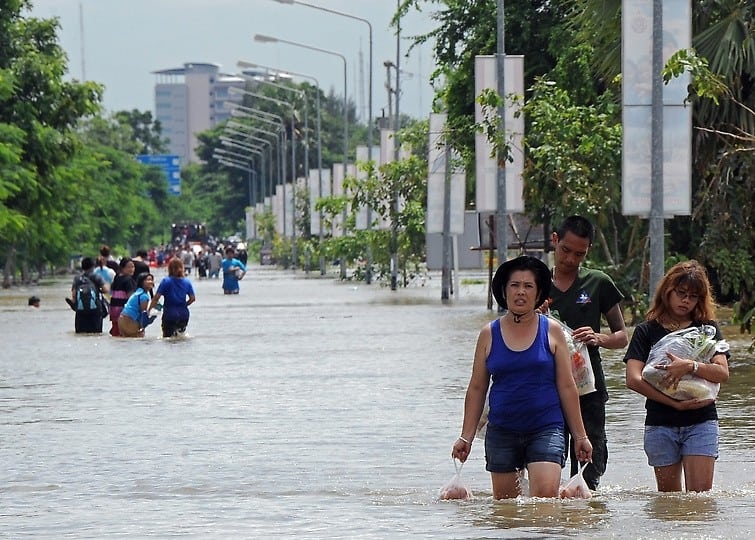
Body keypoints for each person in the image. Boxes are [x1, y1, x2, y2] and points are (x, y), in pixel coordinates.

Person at [452, 255, 593, 499]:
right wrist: (466, 437)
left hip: (546, 427)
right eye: (514, 285)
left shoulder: (552, 331)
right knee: (507, 512)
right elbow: (477, 388)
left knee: (544, 502)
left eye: (528, 286)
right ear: (504, 291)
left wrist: (581, 436)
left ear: (538, 294)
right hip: (502, 431)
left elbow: (567, 386)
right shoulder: (489, 334)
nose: (521, 292)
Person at [624, 260, 730, 492]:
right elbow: (633, 379)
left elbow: (722, 372)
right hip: (661, 421)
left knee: (699, 500)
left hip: (701, 420)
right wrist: (675, 404)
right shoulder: (646, 330)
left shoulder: (707, 329)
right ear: (667, 291)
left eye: (693, 296)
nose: (686, 301)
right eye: (681, 293)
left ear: (700, 300)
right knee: (668, 502)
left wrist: (690, 366)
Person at [544, 215, 628, 490]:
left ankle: (585, 513)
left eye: (579, 254)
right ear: (555, 241)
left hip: (587, 385)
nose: (570, 259)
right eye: (565, 250)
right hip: (547, 383)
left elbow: (622, 337)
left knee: (590, 453)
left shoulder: (598, 282)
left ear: (588, 250)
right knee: (548, 452)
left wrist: (599, 338)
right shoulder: (535, 283)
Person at [148, 257, 195, 338]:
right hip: (184, 314)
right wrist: (184, 305)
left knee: (168, 338)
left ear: (169, 268)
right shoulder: (187, 282)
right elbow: (192, 299)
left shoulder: (166, 281)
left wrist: (149, 310)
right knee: (180, 337)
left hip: (170, 314)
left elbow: (156, 298)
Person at [69, 256, 109, 334]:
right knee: (96, 333)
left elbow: (74, 295)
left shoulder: (77, 278)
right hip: (95, 310)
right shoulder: (96, 276)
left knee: (81, 333)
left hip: (81, 311)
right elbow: (106, 290)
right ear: (93, 266)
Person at [117, 272, 156, 338]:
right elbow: (143, 314)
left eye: (151, 280)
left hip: (122, 319)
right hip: (129, 320)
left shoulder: (137, 292)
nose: (151, 282)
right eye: (148, 280)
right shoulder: (144, 296)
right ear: (141, 282)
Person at [108, 257, 137, 336]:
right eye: (129, 267)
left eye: (133, 267)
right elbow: (131, 298)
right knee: (125, 335)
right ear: (122, 268)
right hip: (123, 312)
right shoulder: (129, 280)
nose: (131, 269)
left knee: (116, 333)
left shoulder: (117, 278)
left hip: (114, 310)